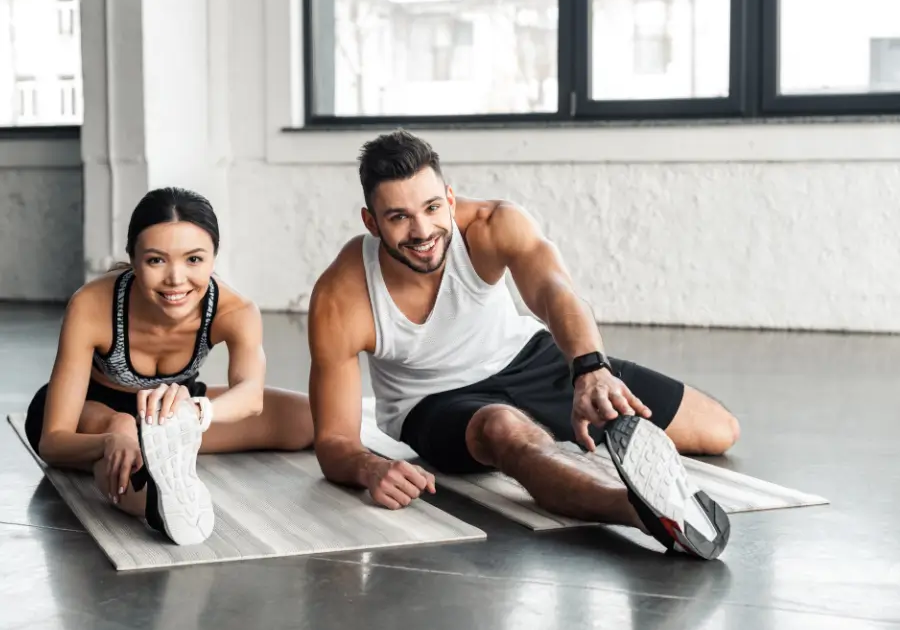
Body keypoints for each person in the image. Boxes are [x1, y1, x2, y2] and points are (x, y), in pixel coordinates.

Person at [307, 130, 741, 561]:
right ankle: (648, 514)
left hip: (527, 358)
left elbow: (555, 292)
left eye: (432, 207)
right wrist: (370, 467)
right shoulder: (341, 298)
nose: (422, 231)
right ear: (371, 222)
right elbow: (333, 440)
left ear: (450, 199)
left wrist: (589, 368)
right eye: (399, 217)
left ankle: (567, 444)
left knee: (719, 431)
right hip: (433, 402)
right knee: (505, 430)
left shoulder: (492, 226)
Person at [26, 187, 313, 545]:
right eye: (156, 260)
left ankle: (161, 448)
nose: (176, 279)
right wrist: (111, 440)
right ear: (133, 258)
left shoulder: (235, 310)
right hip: (89, 416)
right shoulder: (91, 305)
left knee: (309, 418)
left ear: (213, 257)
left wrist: (196, 411)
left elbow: (251, 396)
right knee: (121, 441)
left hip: (171, 413)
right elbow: (53, 442)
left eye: (194, 259)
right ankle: (161, 506)